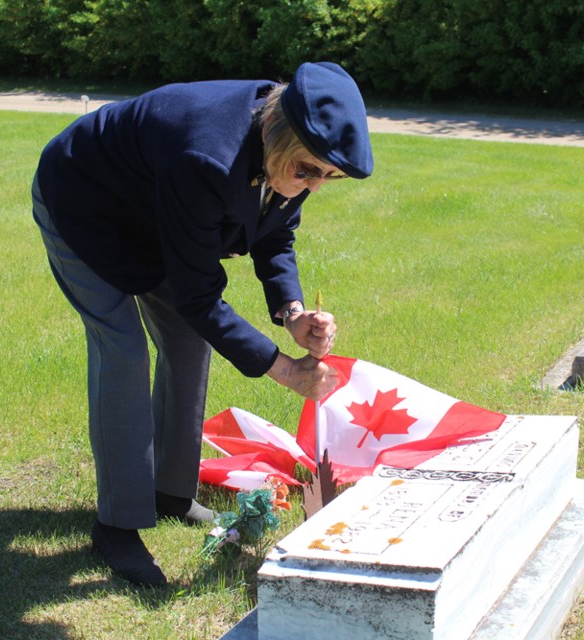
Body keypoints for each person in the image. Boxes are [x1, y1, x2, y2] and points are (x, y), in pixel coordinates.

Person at [31, 62, 373, 586]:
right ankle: (117, 525)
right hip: (84, 204)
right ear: (276, 135)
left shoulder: (289, 154)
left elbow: (274, 234)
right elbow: (199, 295)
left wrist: (293, 313)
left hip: (154, 216)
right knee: (122, 350)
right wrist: (283, 369)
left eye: (328, 176)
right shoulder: (205, 154)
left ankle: (170, 493)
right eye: (307, 171)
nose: (314, 186)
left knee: (189, 342)